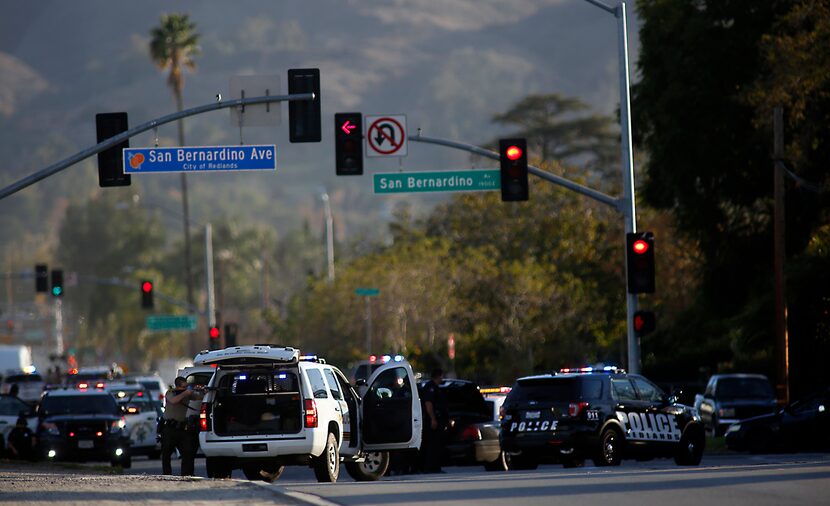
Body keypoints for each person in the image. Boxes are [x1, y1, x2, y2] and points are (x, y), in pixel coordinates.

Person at [161, 377, 203, 476]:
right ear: (180, 385)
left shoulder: (187, 394)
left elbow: (199, 397)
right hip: (169, 428)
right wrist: (186, 393)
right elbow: (174, 401)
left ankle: (187, 475)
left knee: (188, 453)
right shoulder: (170, 392)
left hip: (182, 428)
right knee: (166, 454)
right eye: (185, 384)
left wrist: (201, 390)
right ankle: (167, 475)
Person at [420, 368, 448, 473]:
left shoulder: (435, 388)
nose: (442, 378)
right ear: (438, 376)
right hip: (432, 421)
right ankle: (431, 467)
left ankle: (435, 467)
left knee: (437, 445)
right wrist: (433, 419)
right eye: (441, 376)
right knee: (433, 445)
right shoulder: (430, 388)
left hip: (437, 420)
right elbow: (428, 404)